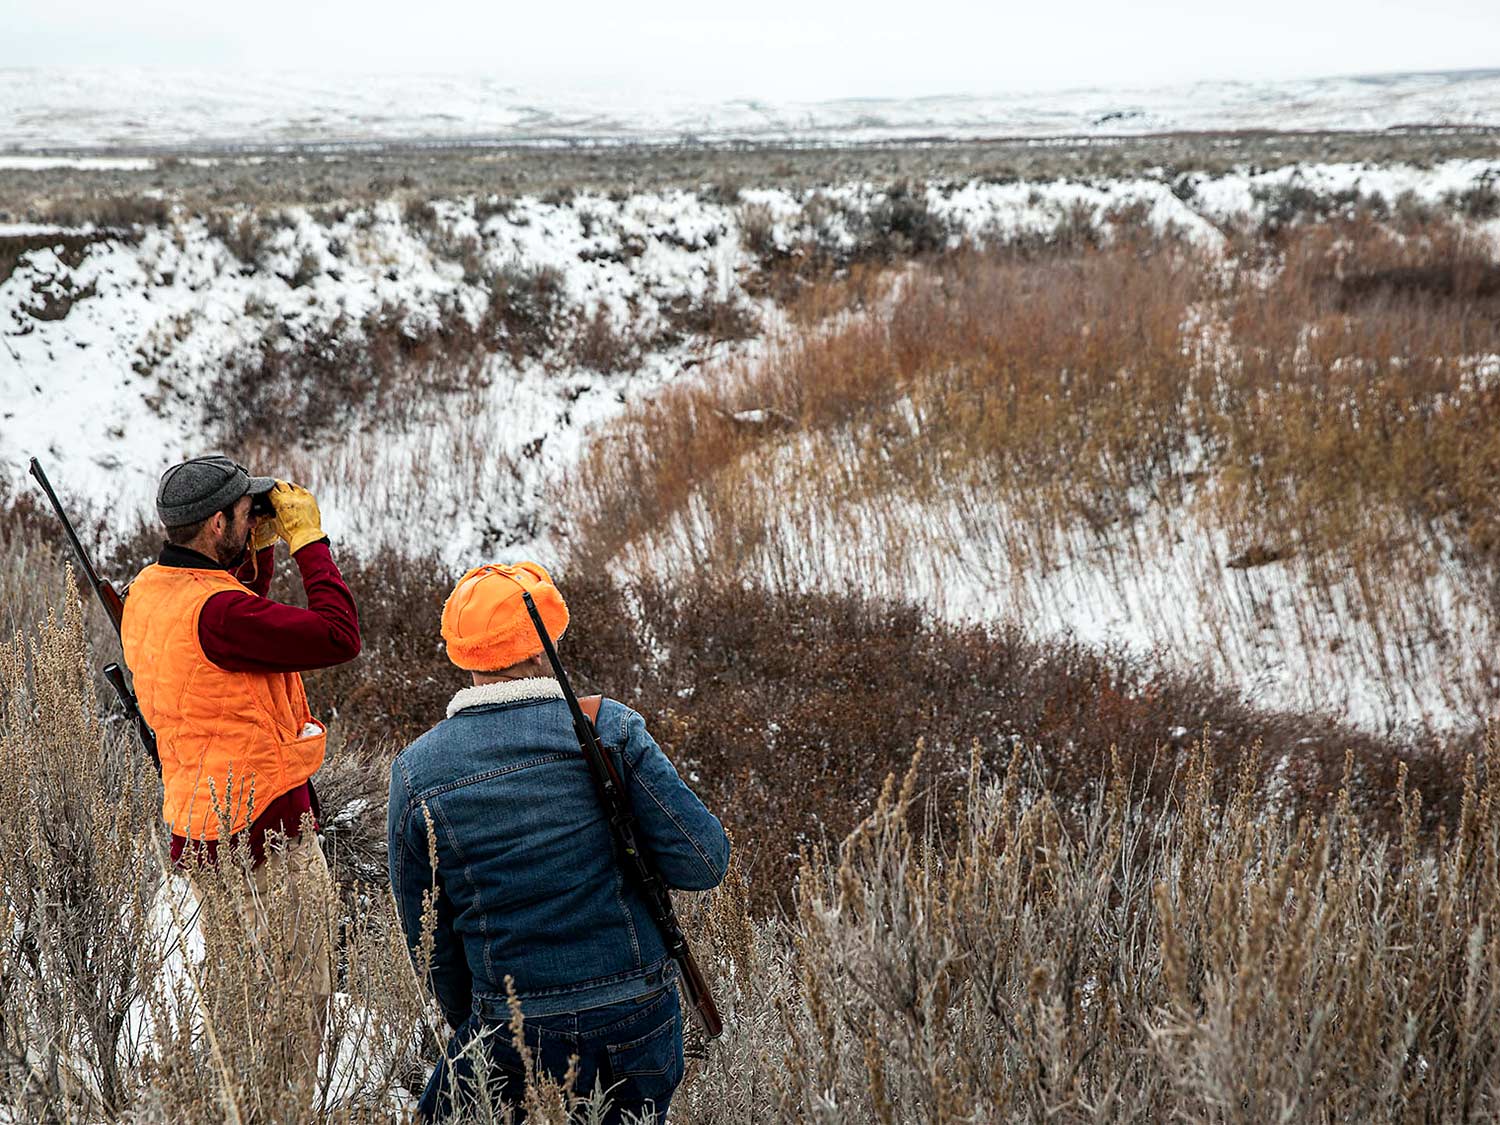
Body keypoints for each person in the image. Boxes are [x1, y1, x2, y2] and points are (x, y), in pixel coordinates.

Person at [388, 561, 729, 1123]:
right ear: (543, 649)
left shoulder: (417, 772)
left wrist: (480, 1021)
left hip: (509, 1021)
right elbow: (703, 861)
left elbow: (429, 942)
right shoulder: (608, 729)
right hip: (637, 1011)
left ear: (464, 655)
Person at [120, 454, 361, 1079]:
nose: (253, 520)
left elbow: (232, 633)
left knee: (242, 1002)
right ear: (216, 523)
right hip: (265, 833)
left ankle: (234, 1106)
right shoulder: (220, 615)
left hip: (201, 827)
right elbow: (338, 635)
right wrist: (310, 543)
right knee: (296, 998)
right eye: (244, 514)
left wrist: (258, 554)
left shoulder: (149, 592)